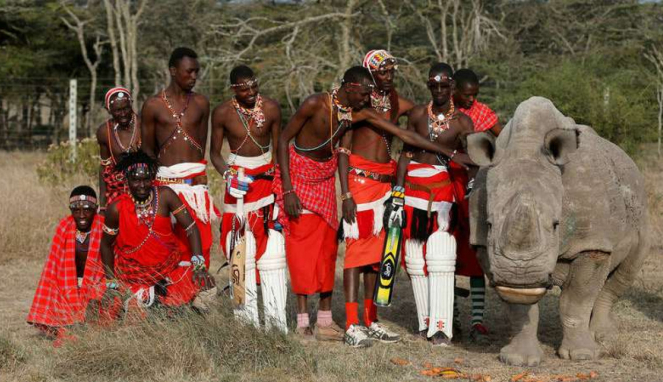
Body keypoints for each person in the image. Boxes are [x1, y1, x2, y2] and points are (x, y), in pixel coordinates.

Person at [274, 66, 461, 343]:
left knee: (332, 250)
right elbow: (282, 139)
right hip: (301, 177)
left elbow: (405, 135)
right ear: (350, 87)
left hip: (328, 179)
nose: (367, 98)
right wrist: (289, 189)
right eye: (363, 93)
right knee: (306, 248)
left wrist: (449, 151)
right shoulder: (316, 103)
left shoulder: (355, 113)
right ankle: (314, 321)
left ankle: (338, 320)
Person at [393, 63, 475, 346]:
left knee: (440, 257)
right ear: (428, 85)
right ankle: (424, 322)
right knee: (415, 259)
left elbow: (472, 160)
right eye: (434, 86)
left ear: (452, 86)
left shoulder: (463, 122)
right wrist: (398, 191)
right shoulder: (416, 114)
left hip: (442, 195)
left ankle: (442, 327)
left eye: (444, 86)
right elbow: (405, 154)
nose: (439, 91)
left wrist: (473, 184)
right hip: (413, 193)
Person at [337, 50, 415, 346]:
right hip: (359, 185)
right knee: (356, 254)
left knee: (376, 258)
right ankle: (351, 324)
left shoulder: (394, 100)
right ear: (370, 75)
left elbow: (419, 112)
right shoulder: (358, 104)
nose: (389, 77)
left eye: (391, 72)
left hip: (385, 186)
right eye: (383, 73)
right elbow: (343, 151)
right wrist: (345, 194)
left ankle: (371, 320)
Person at [210, 65, 287, 331]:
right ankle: (246, 325)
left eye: (254, 86)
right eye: (245, 88)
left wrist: (278, 184)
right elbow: (215, 154)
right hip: (238, 183)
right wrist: (227, 175)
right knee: (240, 248)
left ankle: (277, 324)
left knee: (274, 254)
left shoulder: (272, 108)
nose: (252, 92)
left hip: (266, 181)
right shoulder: (222, 112)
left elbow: (279, 150)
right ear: (234, 89)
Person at [100, 151, 215, 312]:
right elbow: (105, 245)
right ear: (127, 180)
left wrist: (199, 265)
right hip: (134, 276)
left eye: (146, 179)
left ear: (152, 179)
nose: (142, 185)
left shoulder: (165, 195)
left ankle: (168, 304)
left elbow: (191, 227)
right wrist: (111, 282)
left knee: (206, 285)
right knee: (116, 307)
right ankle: (153, 302)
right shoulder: (116, 208)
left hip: (169, 270)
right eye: (136, 180)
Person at [141, 47, 219, 269]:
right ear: (173, 71)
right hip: (165, 186)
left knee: (200, 243)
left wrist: (198, 177)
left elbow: (200, 150)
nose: (194, 77)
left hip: (195, 188)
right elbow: (147, 152)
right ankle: (170, 299)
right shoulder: (152, 106)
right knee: (168, 244)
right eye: (189, 72)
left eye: (197, 72)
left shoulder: (202, 103)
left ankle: (194, 297)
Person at [451, 68, 501, 342]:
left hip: (475, 185)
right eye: (466, 95)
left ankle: (478, 320)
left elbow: (501, 136)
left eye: (475, 95)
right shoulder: (444, 111)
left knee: (475, 255)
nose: (471, 100)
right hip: (448, 182)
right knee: (446, 256)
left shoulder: (484, 112)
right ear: (455, 90)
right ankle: (452, 317)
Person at [27, 186, 106, 346]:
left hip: (97, 285)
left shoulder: (103, 227)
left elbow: (112, 264)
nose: (82, 215)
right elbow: (54, 266)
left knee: (98, 331)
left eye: (87, 210)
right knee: (69, 337)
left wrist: (99, 290)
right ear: (70, 209)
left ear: (96, 209)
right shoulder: (64, 227)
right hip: (69, 286)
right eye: (76, 210)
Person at [97, 87, 142, 210]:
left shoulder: (144, 126)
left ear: (131, 104)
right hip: (118, 190)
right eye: (117, 110)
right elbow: (104, 168)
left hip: (144, 188)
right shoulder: (104, 132)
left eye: (126, 108)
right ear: (108, 110)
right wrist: (102, 205)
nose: (123, 114)